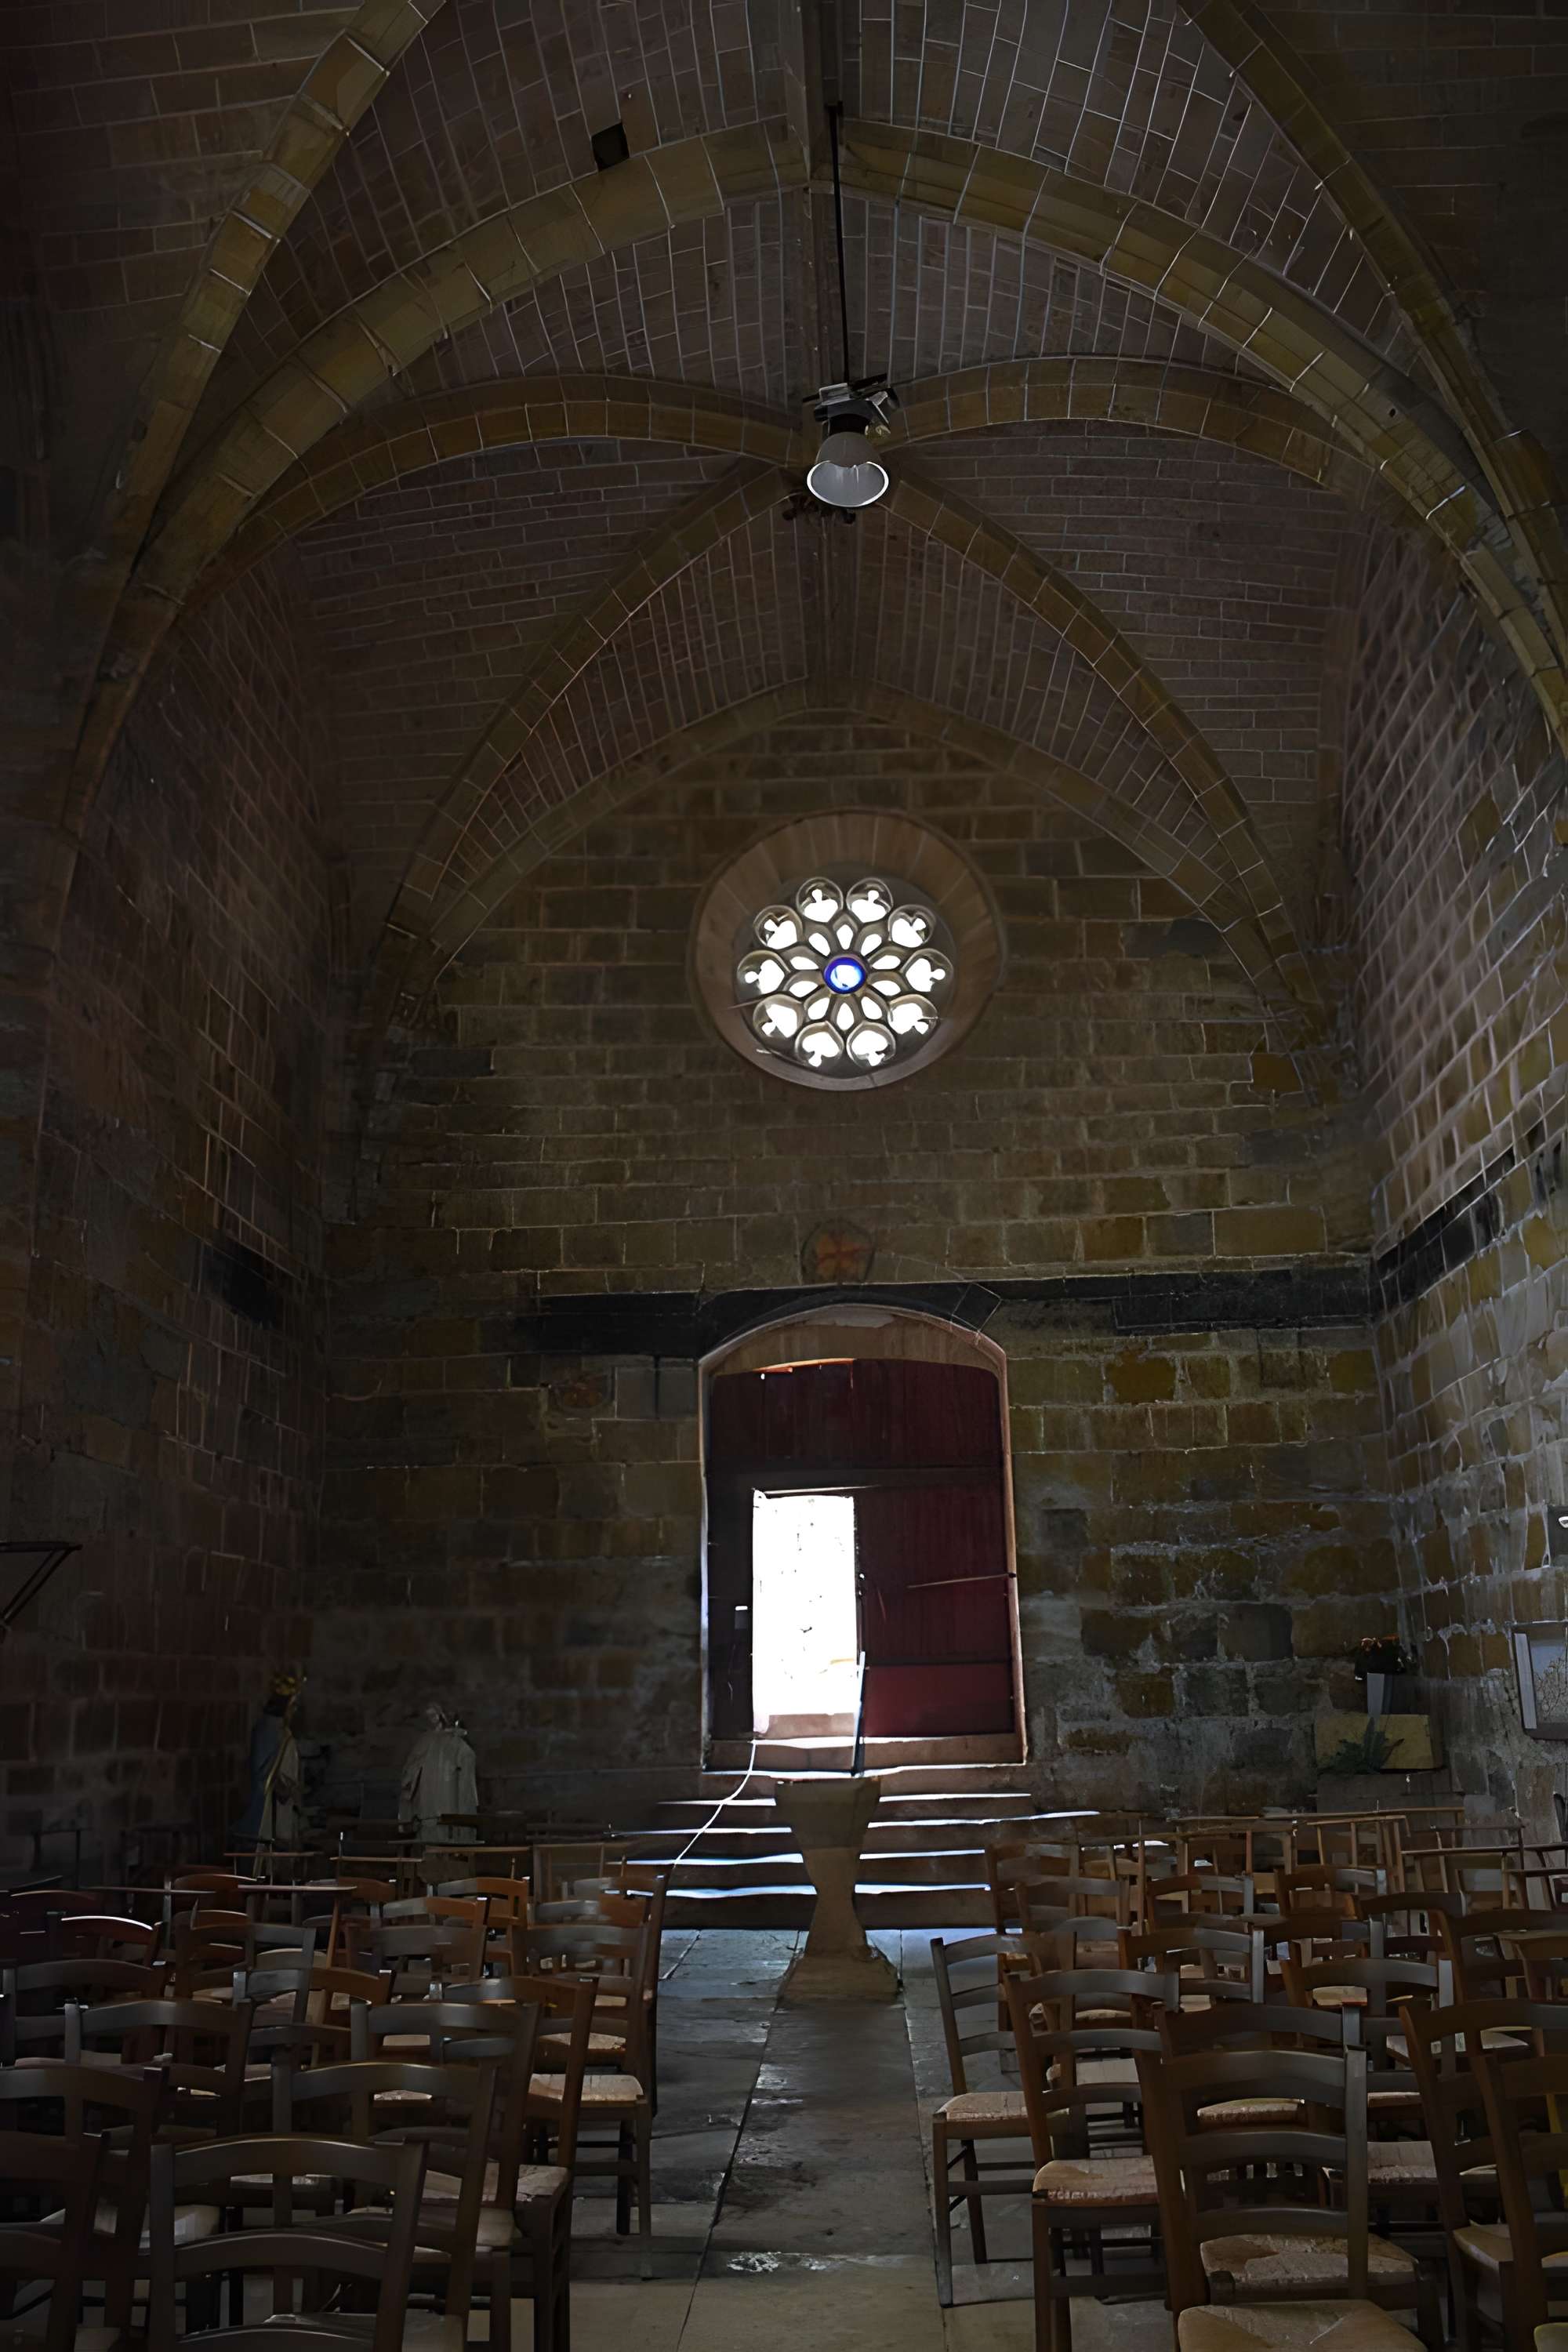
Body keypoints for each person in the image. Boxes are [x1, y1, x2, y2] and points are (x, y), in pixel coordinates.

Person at [235, 1670, 303, 1858]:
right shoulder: (283, 1737)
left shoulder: (260, 1729)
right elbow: (283, 1782)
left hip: (256, 1804)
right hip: (273, 1810)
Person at [400, 1701, 478, 1845]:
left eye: (434, 1715)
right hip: (427, 1790)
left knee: (445, 1820)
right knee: (429, 1823)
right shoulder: (424, 1740)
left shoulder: (453, 1739)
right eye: (428, 1716)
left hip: (447, 1788)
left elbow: (468, 1757)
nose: (432, 1719)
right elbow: (411, 1765)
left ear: (441, 1715)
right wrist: (411, 1776)